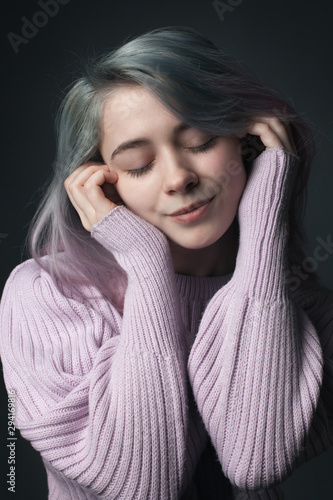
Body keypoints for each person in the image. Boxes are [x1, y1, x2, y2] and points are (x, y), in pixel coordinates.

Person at [0, 25, 332, 500]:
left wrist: (262, 243)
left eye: (199, 141)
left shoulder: (302, 306)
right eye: (138, 164)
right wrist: (146, 265)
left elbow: (255, 461)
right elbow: (142, 487)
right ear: (100, 182)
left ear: (246, 142)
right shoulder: (46, 296)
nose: (178, 178)